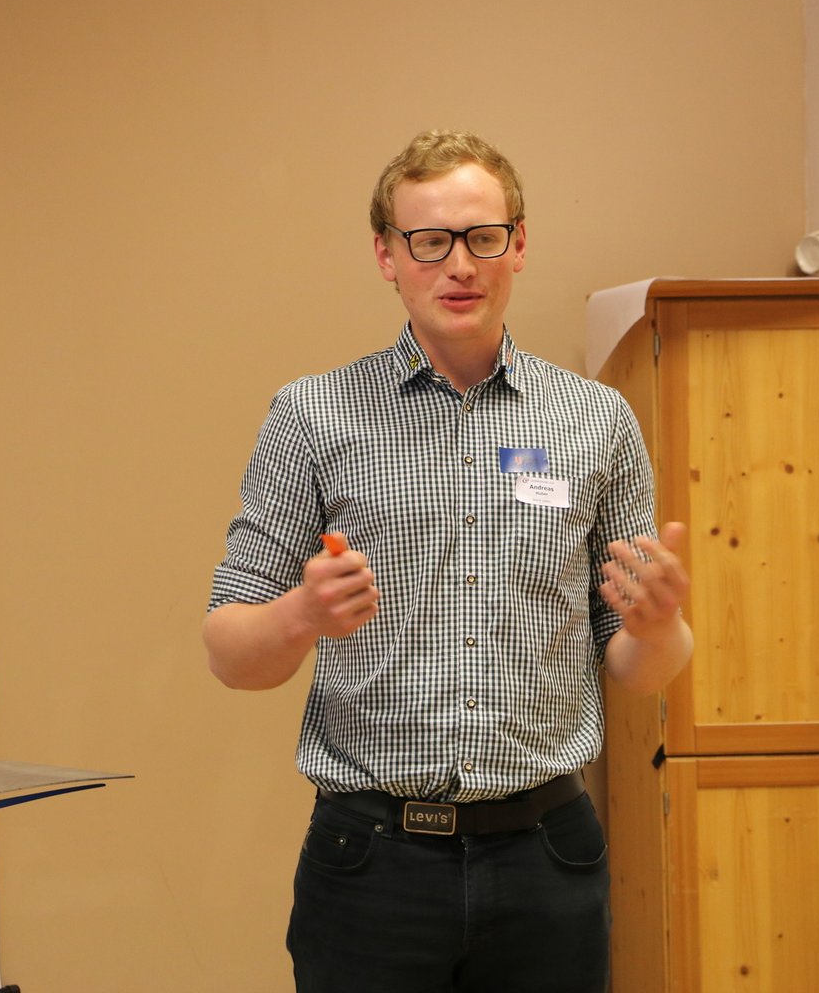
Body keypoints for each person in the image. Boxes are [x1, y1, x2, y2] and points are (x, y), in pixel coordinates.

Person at [203, 129, 693, 992]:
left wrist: (660, 627)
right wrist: (303, 614)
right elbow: (231, 655)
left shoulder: (596, 421)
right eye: (429, 241)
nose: (459, 265)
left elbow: (637, 666)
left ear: (519, 244)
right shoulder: (313, 417)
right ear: (387, 256)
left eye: (482, 237)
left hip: (547, 857)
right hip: (372, 864)